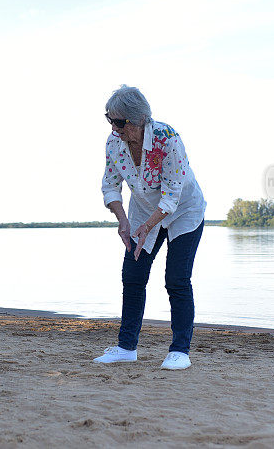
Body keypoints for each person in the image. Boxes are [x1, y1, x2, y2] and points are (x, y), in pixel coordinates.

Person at [95, 85, 206, 370]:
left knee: (176, 279)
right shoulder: (114, 142)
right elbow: (110, 186)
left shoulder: (168, 140)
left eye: (118, 122)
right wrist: (123, 221)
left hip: (183, 211)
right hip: (143, 212)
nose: (113, 127)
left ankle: (180, 351)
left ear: (137, 120)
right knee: (132, 275)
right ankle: (126, 347)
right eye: (110, 120)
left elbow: (172, 196)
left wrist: (146, 226)